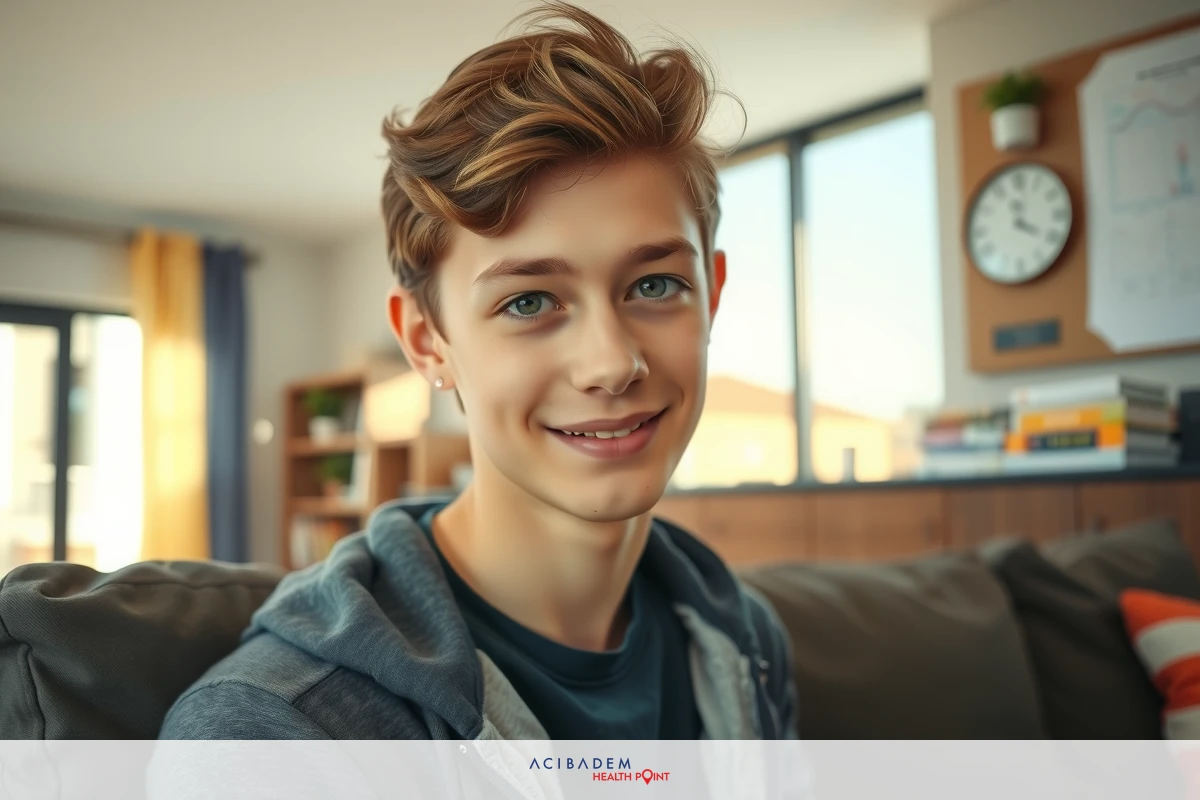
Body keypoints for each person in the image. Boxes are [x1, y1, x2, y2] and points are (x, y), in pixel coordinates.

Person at [159, 0, 797, 746]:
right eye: (530, 301)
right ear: (429, 343)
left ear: (712, 295)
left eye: (654, 286)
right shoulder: (274, 733)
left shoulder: (745, 643)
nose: (613, 363)